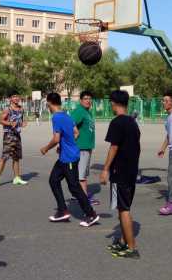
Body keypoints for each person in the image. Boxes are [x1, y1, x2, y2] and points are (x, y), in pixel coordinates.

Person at [40, 92, 100, 227]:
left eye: (47, 104)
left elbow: (56, 138)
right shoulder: (66, 115)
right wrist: (66, 144)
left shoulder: (56, 117)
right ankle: (62, 210)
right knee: (53, 180)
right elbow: (76, 132)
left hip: (69, 158)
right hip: (66, 156)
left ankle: (91, 214)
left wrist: (46, 148)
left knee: (74, 187)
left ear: (49, 103)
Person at [100, 90, 141, 259]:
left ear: (114, 103)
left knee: (123, 209)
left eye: (110, 102)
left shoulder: (117, 122)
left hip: (120, 172)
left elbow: (114, 147)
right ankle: (124, 241)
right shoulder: (133, 122)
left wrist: (105, 169)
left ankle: (132, 248)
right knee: (124, 207)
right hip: (131, 171)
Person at [0, 93, 28, 187]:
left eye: (17, 96)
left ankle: (17, 178)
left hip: (17, 135)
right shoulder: (7, 109)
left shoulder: (21, 109)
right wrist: (9, 123)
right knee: (4, 157)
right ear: (11, 99)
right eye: (14, 96)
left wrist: (23, 123)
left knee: (16, 157)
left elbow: (21, 120)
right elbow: (1, 121)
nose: (16, 98)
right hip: (9, 135)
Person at [70, 90, 97, 205]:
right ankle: (84, 198)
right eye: (85, 98)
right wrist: (75, 133)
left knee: (83, 174)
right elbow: (70, 124)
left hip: (87, 148)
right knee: (81, 175)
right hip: (81, 148)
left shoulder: (87, 112)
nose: (88, 100)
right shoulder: (79, 111)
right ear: (80, 100)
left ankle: (80, 194)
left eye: (89, 98)